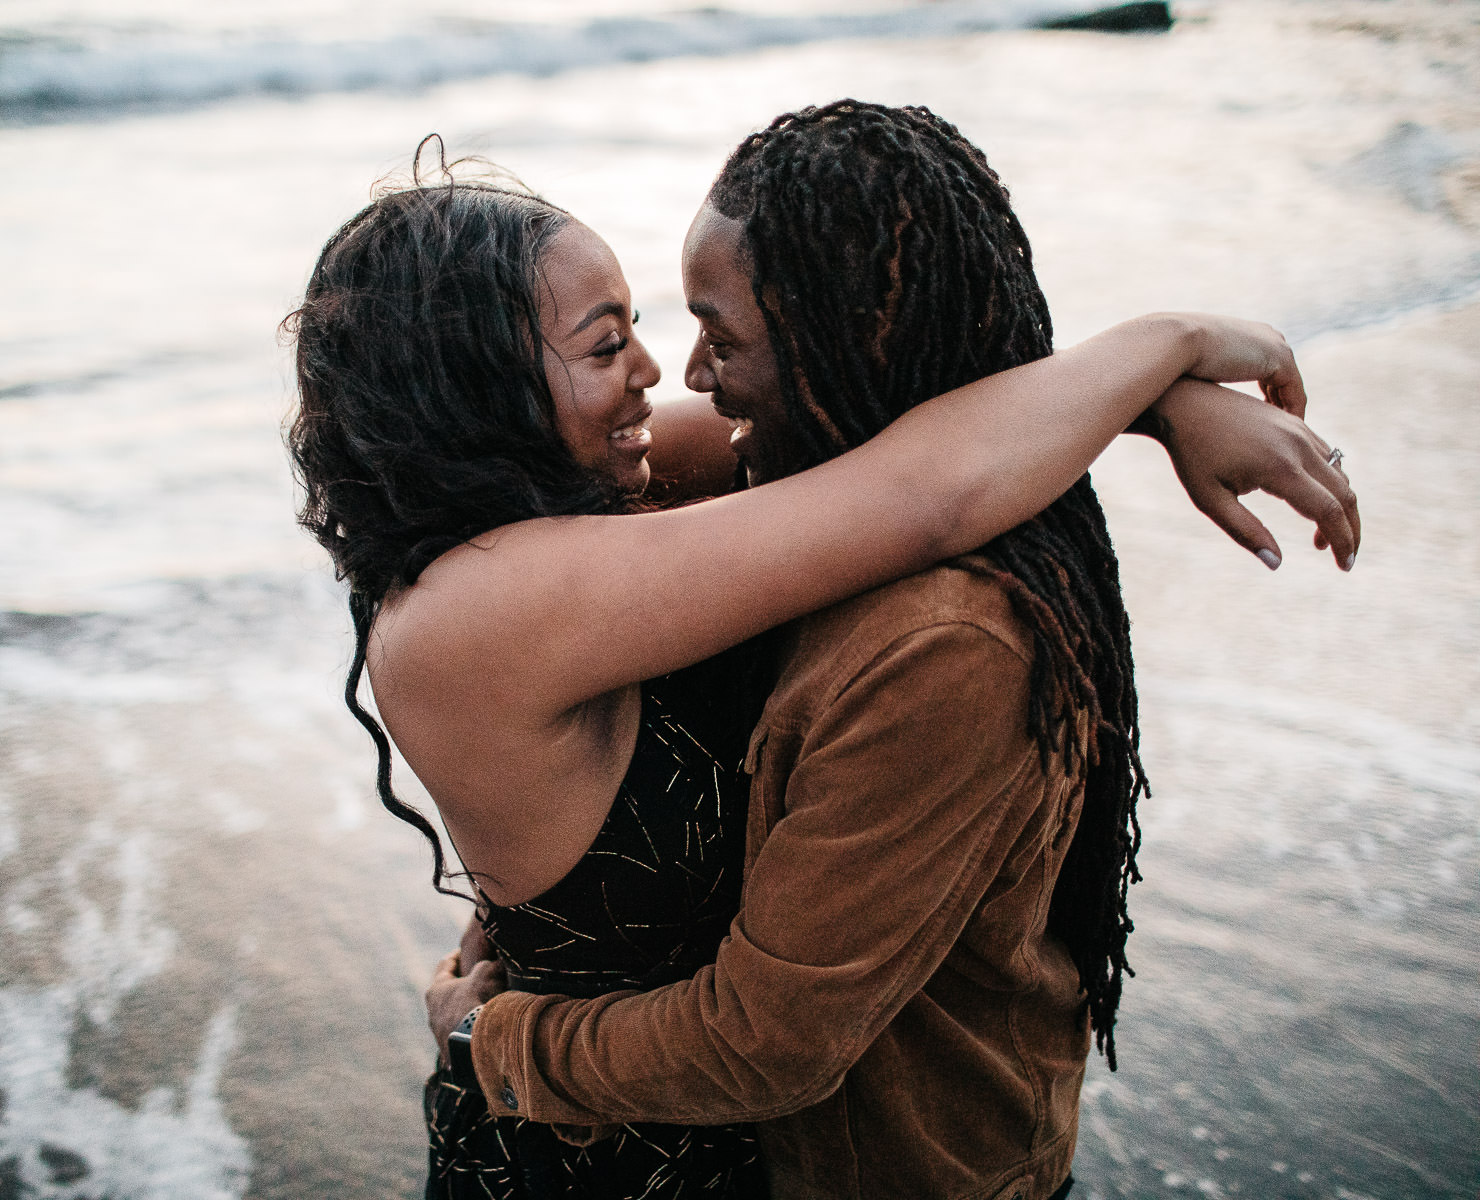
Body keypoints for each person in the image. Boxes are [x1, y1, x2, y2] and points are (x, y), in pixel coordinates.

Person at [286, 135, 1357, 1198]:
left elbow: (897, 393)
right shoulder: (475, 607)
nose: (662, 377)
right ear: (485, 392)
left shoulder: (592, 494)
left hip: (727, 1136)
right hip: (599, 1159)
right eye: (609, 346)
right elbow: (922, 489)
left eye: (650, 330)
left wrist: (1162, 404)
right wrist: (1171, 341)